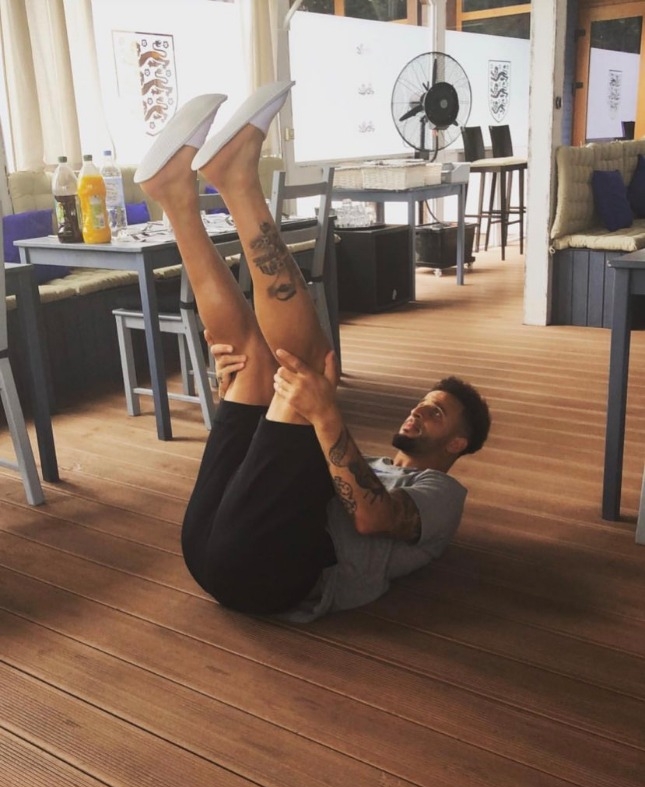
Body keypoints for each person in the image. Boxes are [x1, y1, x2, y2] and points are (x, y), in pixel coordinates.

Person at [134, 81, 491, 623]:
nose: (418, 411)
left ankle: (237, 183)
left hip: (267, 576)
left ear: (458, 444)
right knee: (253, 363)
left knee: (308, 374)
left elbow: (372, 518)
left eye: (436, 413)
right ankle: (176, 198)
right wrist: (234, 398)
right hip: (208, 547)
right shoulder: (369, 462)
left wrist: (325, 415)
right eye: (424, 403)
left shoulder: (442, 494)